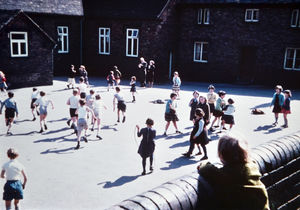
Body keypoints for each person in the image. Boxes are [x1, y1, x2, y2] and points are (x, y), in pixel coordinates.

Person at [197, 134, 269, 209]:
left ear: (221, 155)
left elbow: (205, 168)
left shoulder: (225, 175)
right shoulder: (252, 166)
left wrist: (203, 163)